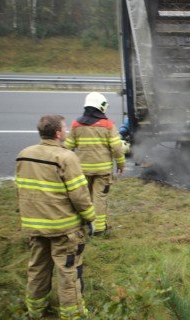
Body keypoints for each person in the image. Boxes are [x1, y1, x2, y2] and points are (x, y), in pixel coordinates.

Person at [16, 114, 95, 319]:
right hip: (63, 228)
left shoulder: (24, 155)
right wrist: (90, 217)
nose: (66, 131)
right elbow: (79, 195)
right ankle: (72, 314)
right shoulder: (66, 157)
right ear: (58, 133)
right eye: (64, 128)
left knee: (37, 269)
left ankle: (35, 310)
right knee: (68, 271)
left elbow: (22, 189)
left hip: (35, 226)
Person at [65, 92, 125, 234]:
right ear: (101, 106)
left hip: (82, 171)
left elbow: (68, 147)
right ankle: (99, 229)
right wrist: (121, 163)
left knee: (83, 198)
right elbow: (117, 148)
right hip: (103, 171)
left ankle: (85, 224)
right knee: (99, 198)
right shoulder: (108, 124)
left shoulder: (76, 124)